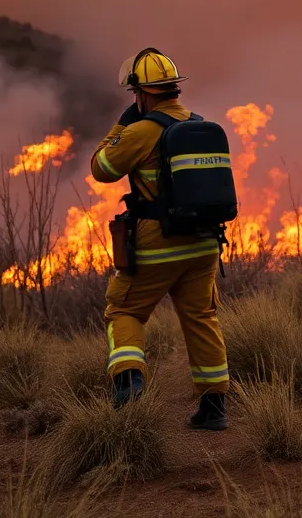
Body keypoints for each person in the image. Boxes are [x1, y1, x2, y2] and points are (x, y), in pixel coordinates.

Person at [91, 48, 230, 429]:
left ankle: (129, 383)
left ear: (142, 94)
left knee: (125, 311)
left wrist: (121, 126)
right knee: (202, 317)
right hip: (204, 244)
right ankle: (214, 407)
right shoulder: (201, 126)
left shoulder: (139, 131)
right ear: (173, 90)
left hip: (158, 242)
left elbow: (101, 168)